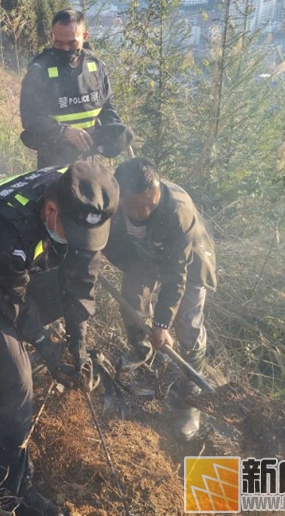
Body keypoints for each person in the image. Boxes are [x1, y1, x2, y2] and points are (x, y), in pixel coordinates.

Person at [0, 161, 119, 515]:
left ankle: (22, 365)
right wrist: (47, 350)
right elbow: (13, 303)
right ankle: (11, 485)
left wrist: (76, 339)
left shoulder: (80, 194)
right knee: (14, 369)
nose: (83, 242)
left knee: (63, 298)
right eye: (75, 231)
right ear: (51, 210)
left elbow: (84, 271)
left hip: (17, 270)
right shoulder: (3, 225)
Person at [101, 158, 216, 442]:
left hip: (187, 259)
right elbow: (106, 239)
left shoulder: (178, 210)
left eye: (149, 205)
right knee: (131, 301)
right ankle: (142, 352)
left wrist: (163, 323)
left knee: (187, 324)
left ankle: (190, 399)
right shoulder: (110, 200)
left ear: (158, 191)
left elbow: (177, 274)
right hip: (146, 254)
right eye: (135, 207)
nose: (142, 212)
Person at [20, 9, 133, 168]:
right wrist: (64, 131)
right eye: (59, 43)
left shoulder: (95, 67)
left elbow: (107, 106)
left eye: (72, 43)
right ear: (52, 35)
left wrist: (115, 132)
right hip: (53, 161)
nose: (66, 49)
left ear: (84, 36)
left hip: (88, 161)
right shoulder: (39, 70)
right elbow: (31, 119)